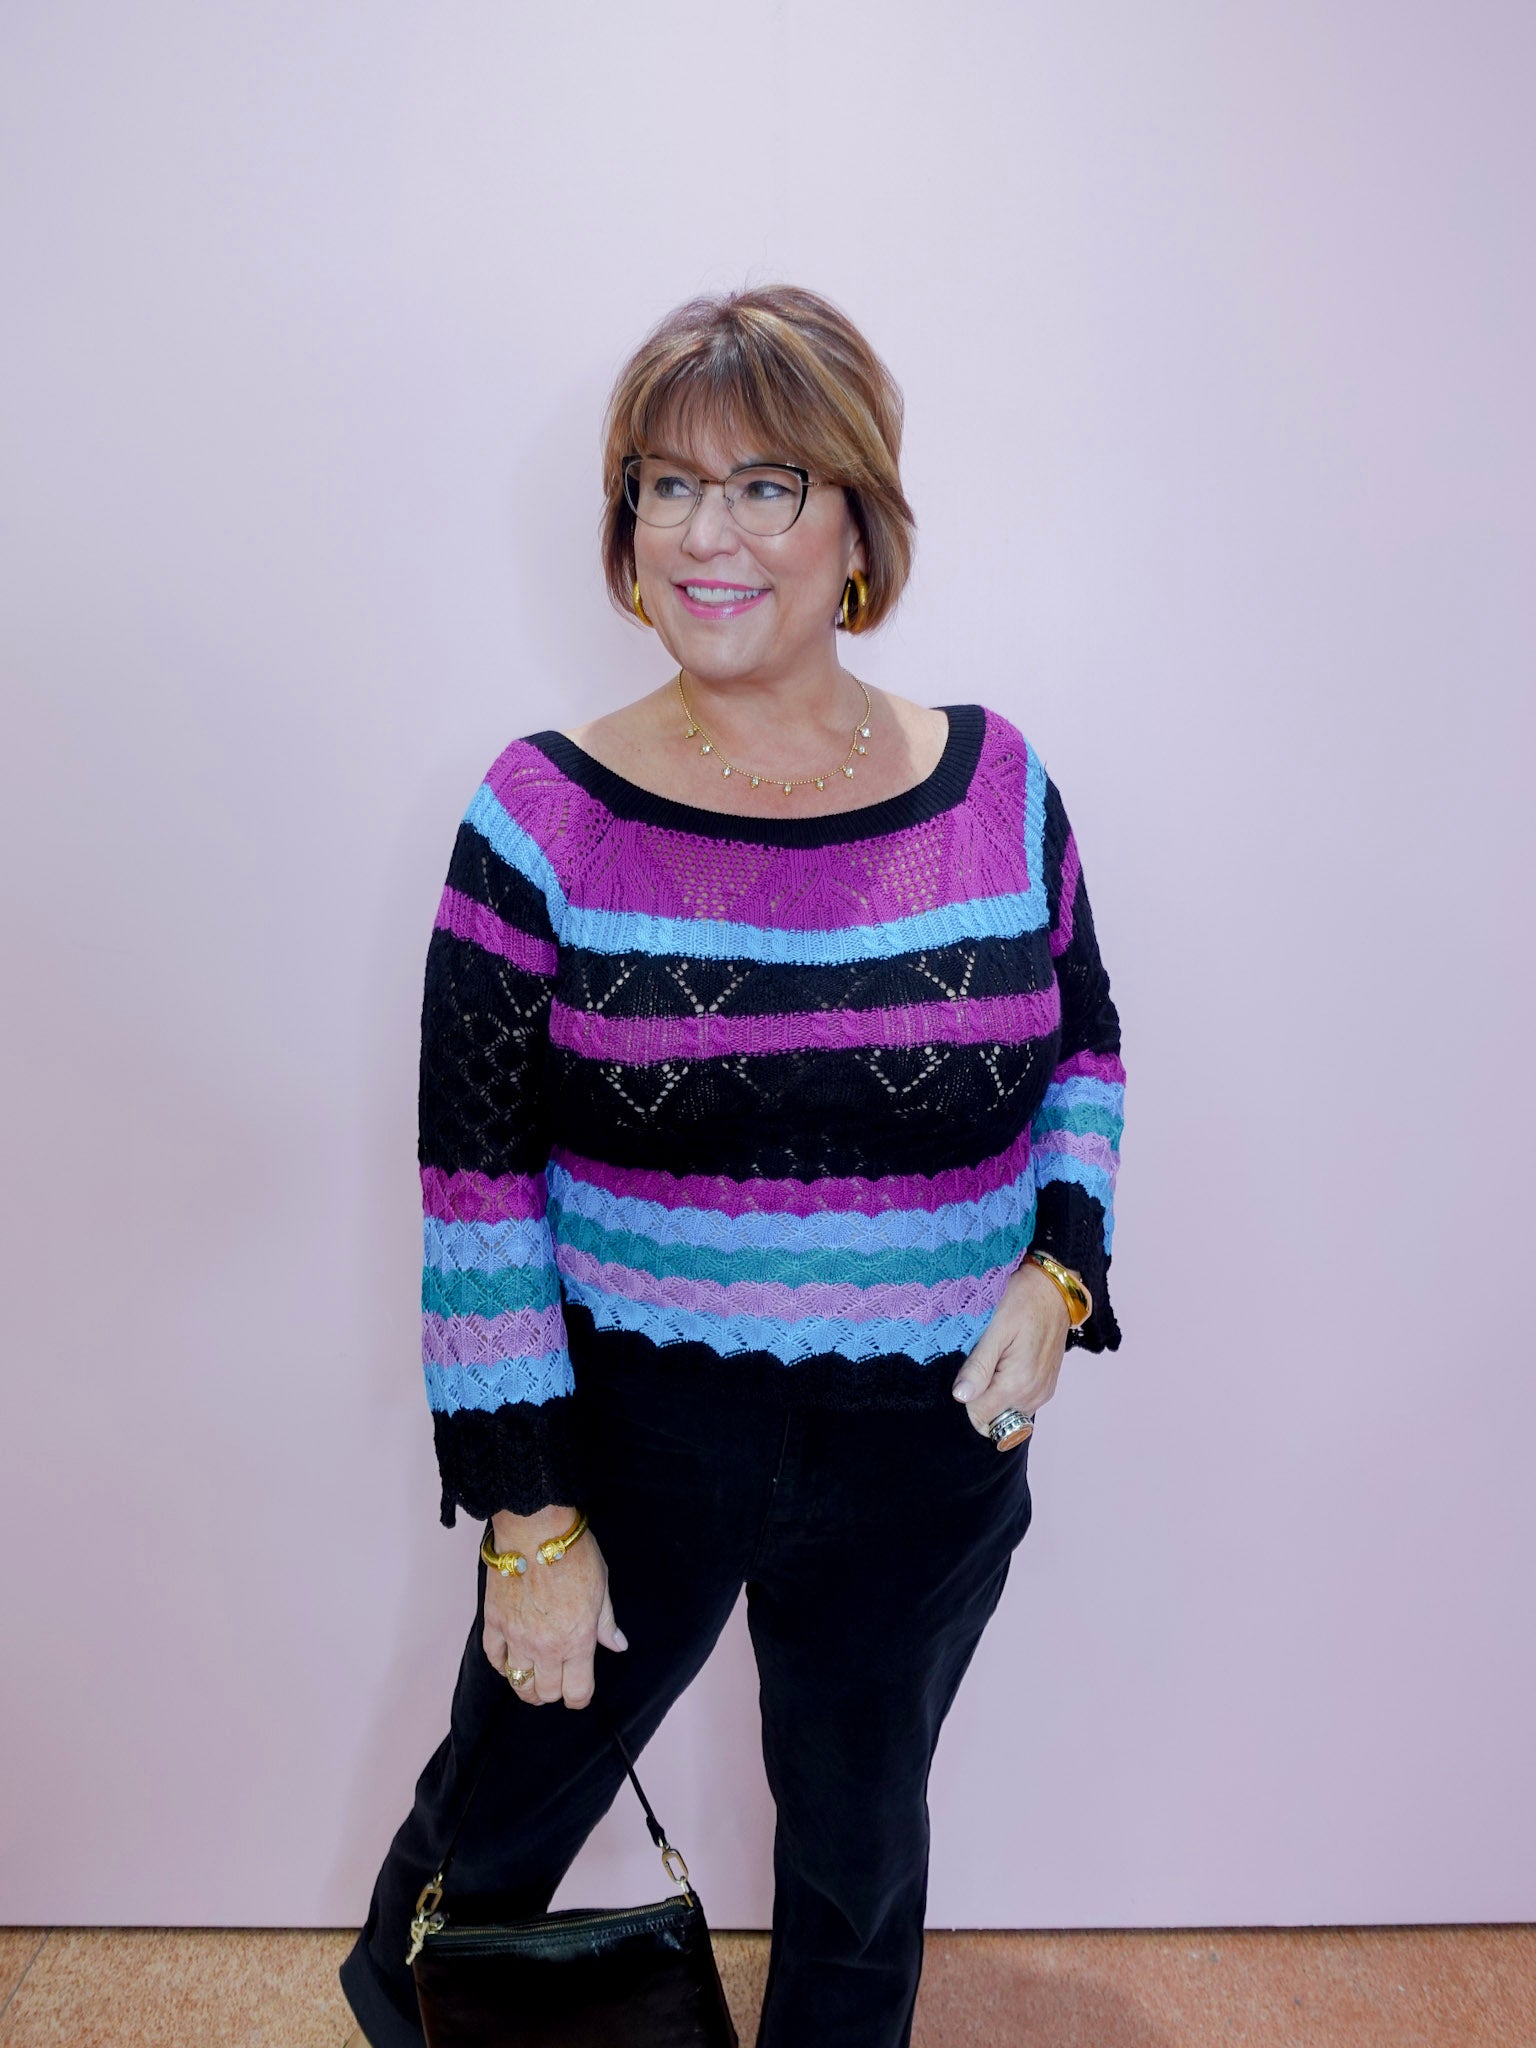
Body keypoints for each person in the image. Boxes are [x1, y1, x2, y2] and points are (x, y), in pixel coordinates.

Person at [339, 282, 1126, 2048]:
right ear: (625, 528)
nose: (710, 534)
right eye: (666, 487)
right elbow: (475, 1194)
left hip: (930, 1443)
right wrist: (530, 1520)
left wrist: (1058, 1272)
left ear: (858, 523)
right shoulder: (543, 817)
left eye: (768, 486)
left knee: (859, 1861)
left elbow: (1082, 1047)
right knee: (491, 1835)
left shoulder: (999, 789)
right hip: (637, 1438)